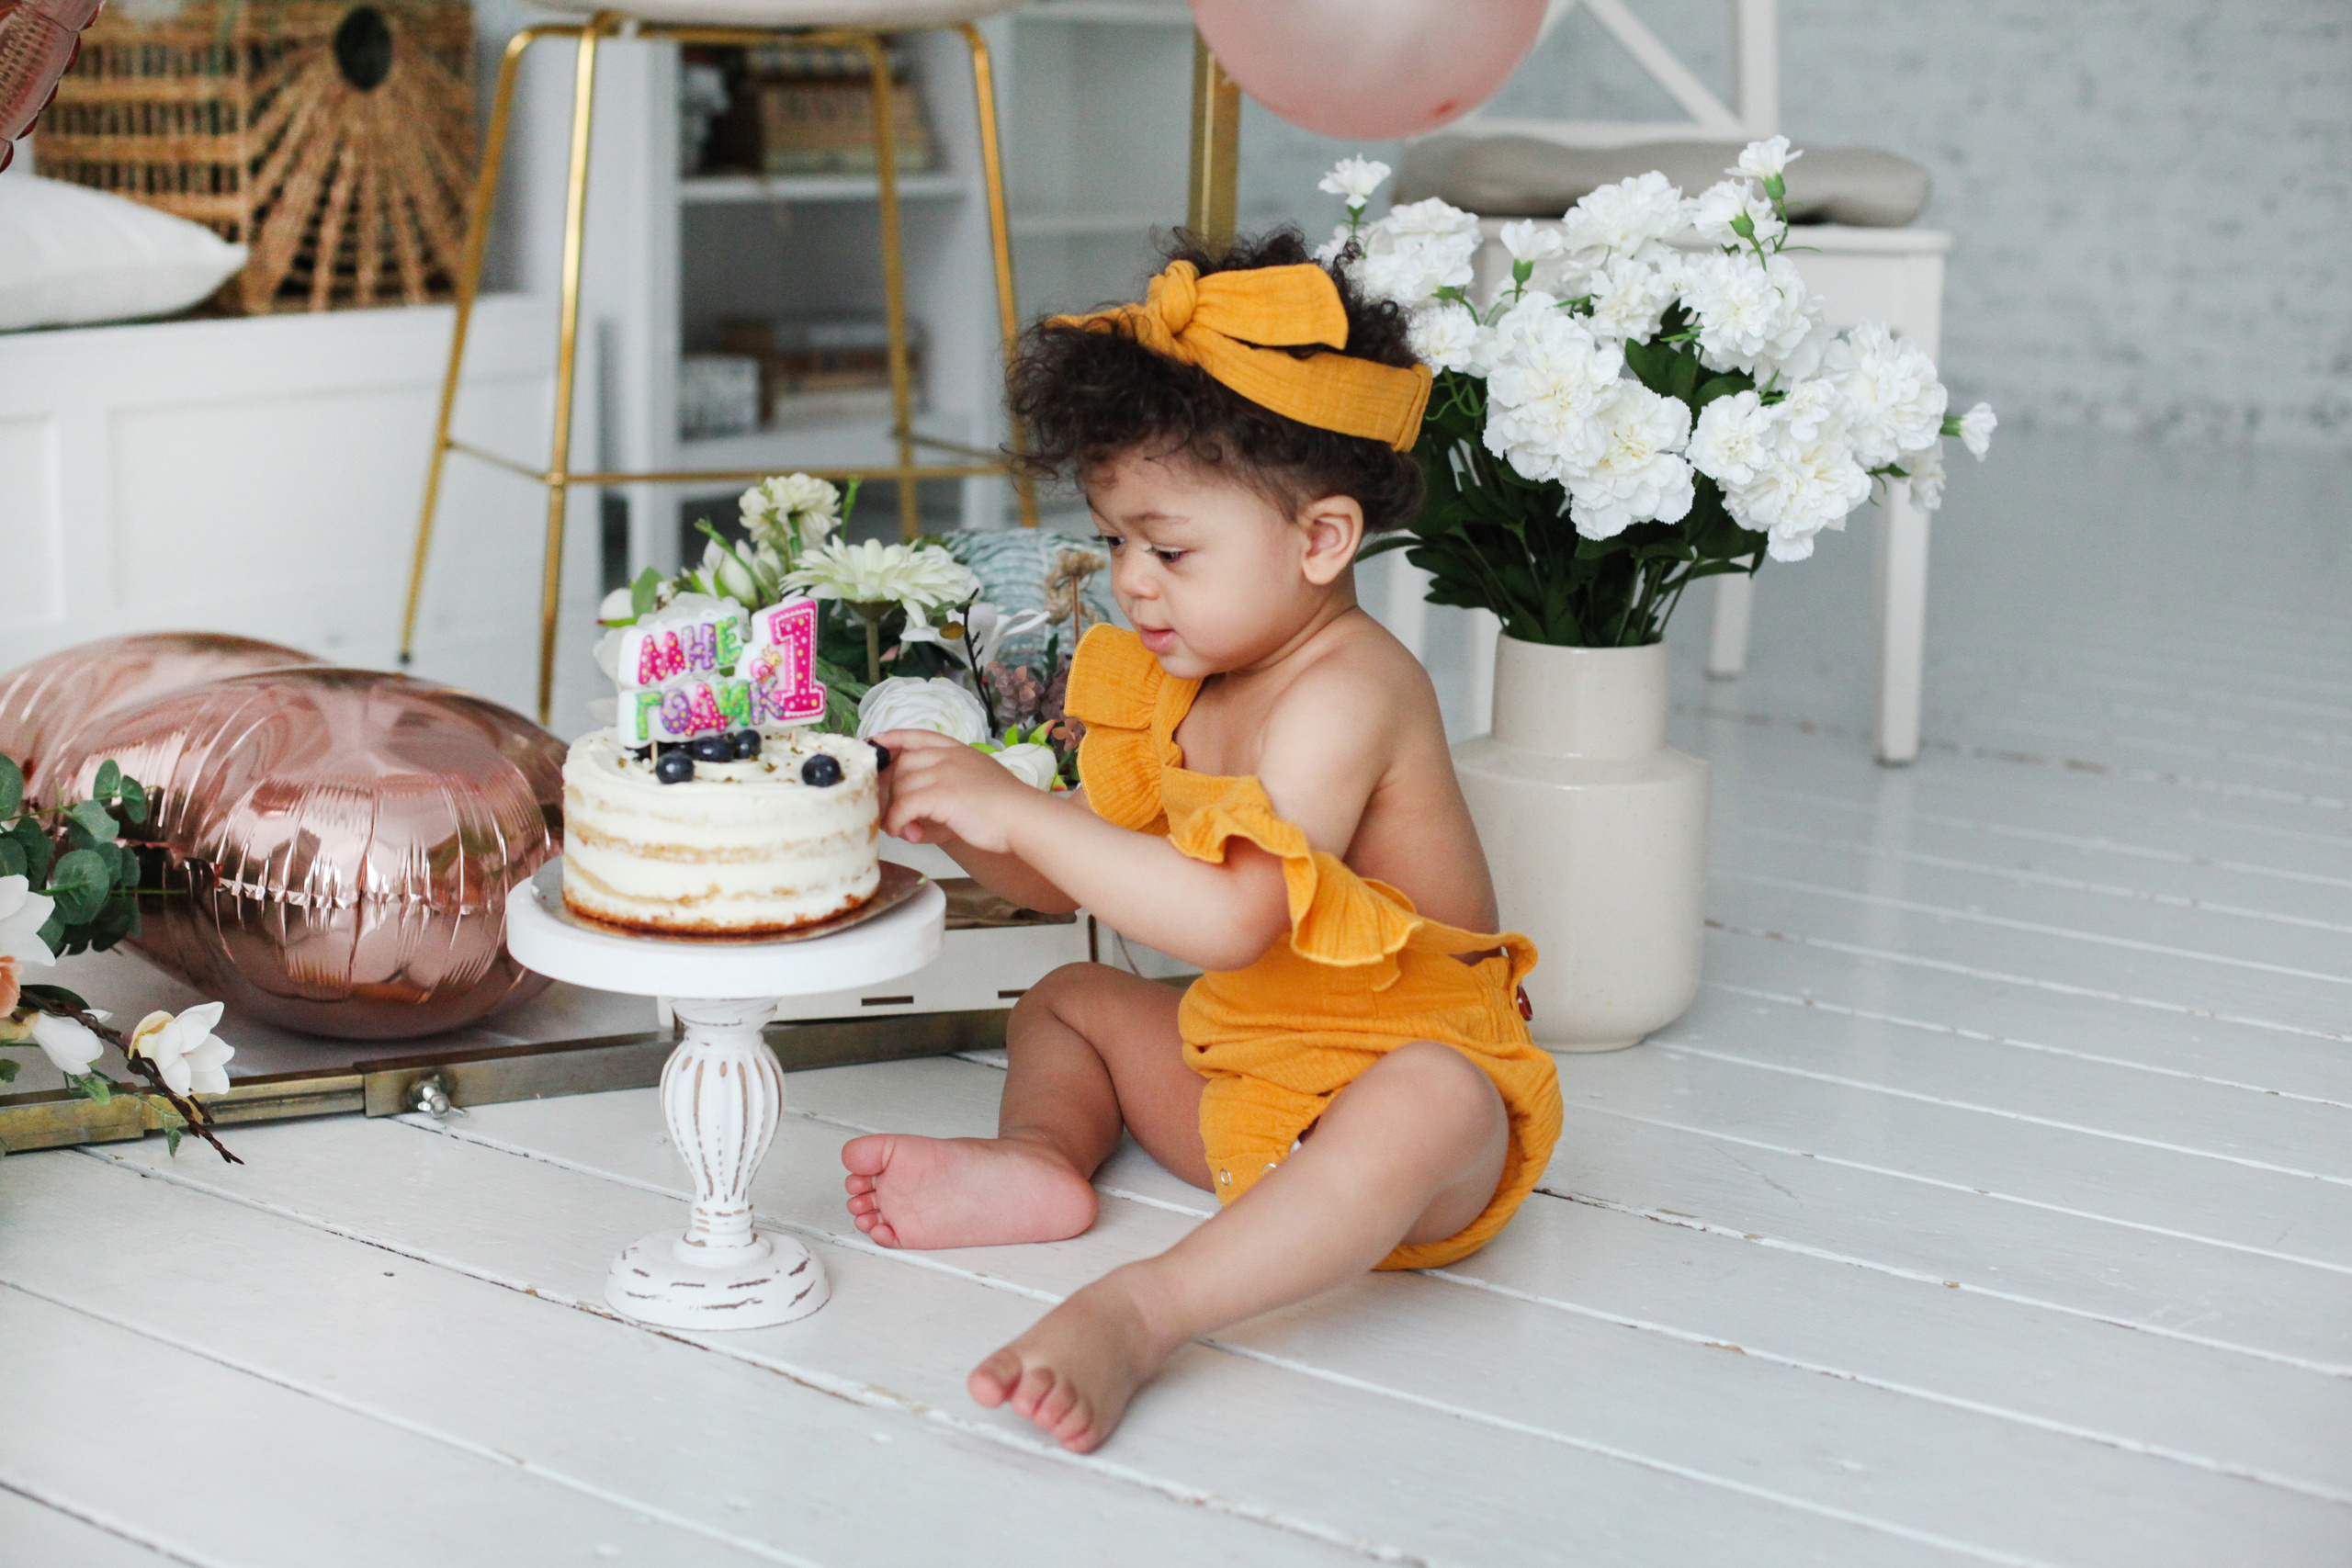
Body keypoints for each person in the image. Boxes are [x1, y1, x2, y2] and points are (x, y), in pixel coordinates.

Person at [845, 230, 1563, 1453]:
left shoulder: (1352, 690)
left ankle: (1145, 1308)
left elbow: (1232, 916)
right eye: (1118, 539)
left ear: (1322, 542)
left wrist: (1019, 807)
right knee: (1070, 996)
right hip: (1245, 1088)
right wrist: (955, 818)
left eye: (1169, 548)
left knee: (1433, 1100)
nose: (1132, 581)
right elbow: (1069, 871)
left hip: (1395, 1108)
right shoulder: (1186, 679)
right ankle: (1039, 1162)